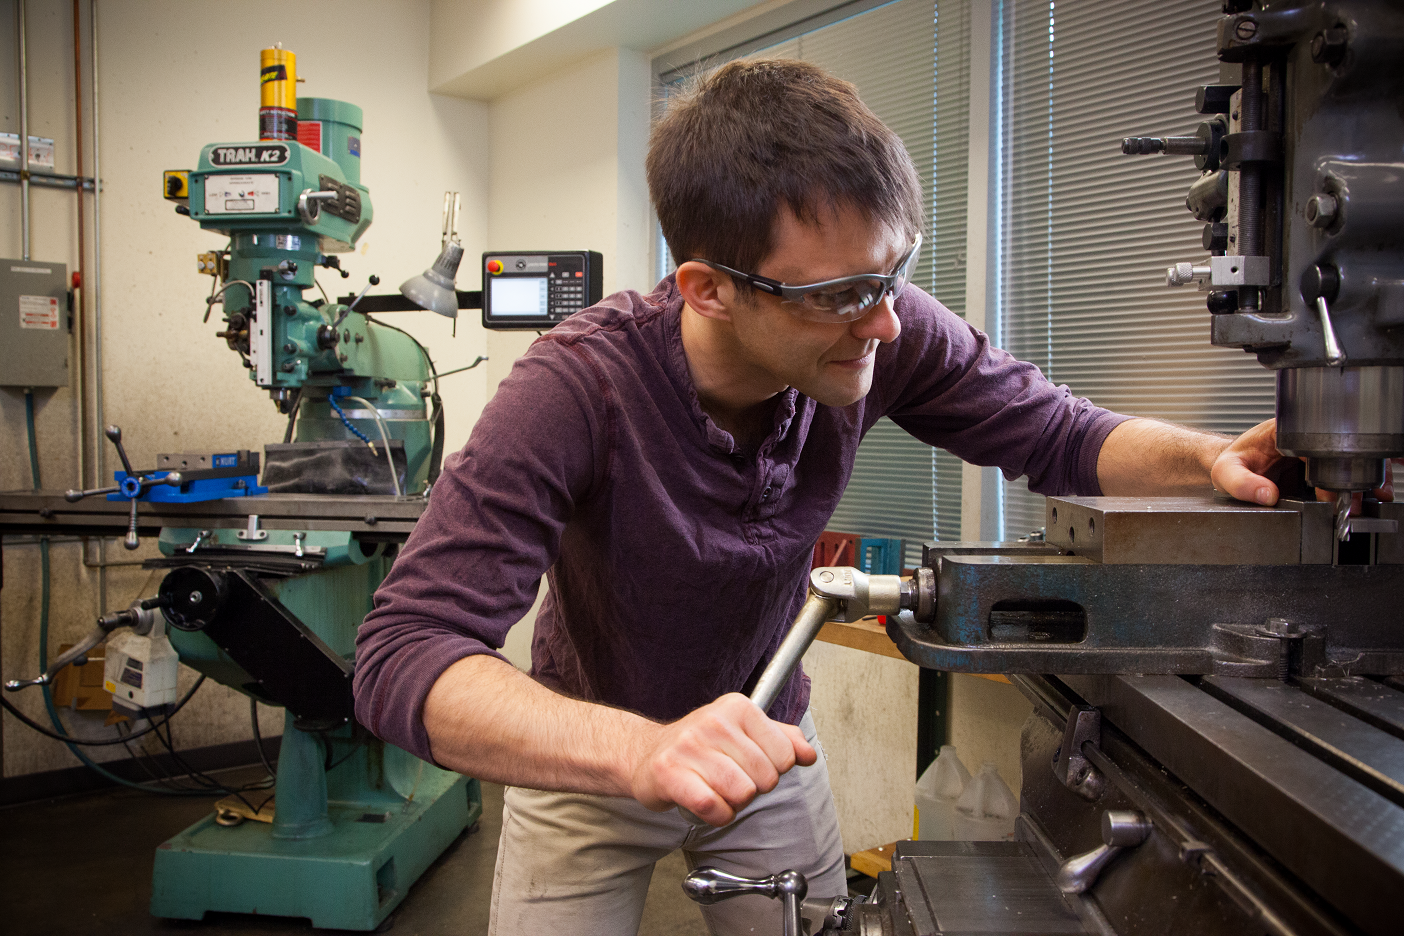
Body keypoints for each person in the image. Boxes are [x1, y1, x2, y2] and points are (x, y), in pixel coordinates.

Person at [354, 59, 1292, 935]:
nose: (885, 322)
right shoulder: (576, 389)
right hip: (589, 758)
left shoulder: (880, 326)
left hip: (769, 737)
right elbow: (405, 653)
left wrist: (1210, 457)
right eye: (841, 292)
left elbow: (1058, 433)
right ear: (709, 289)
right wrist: (642, 752)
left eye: (893, 273)